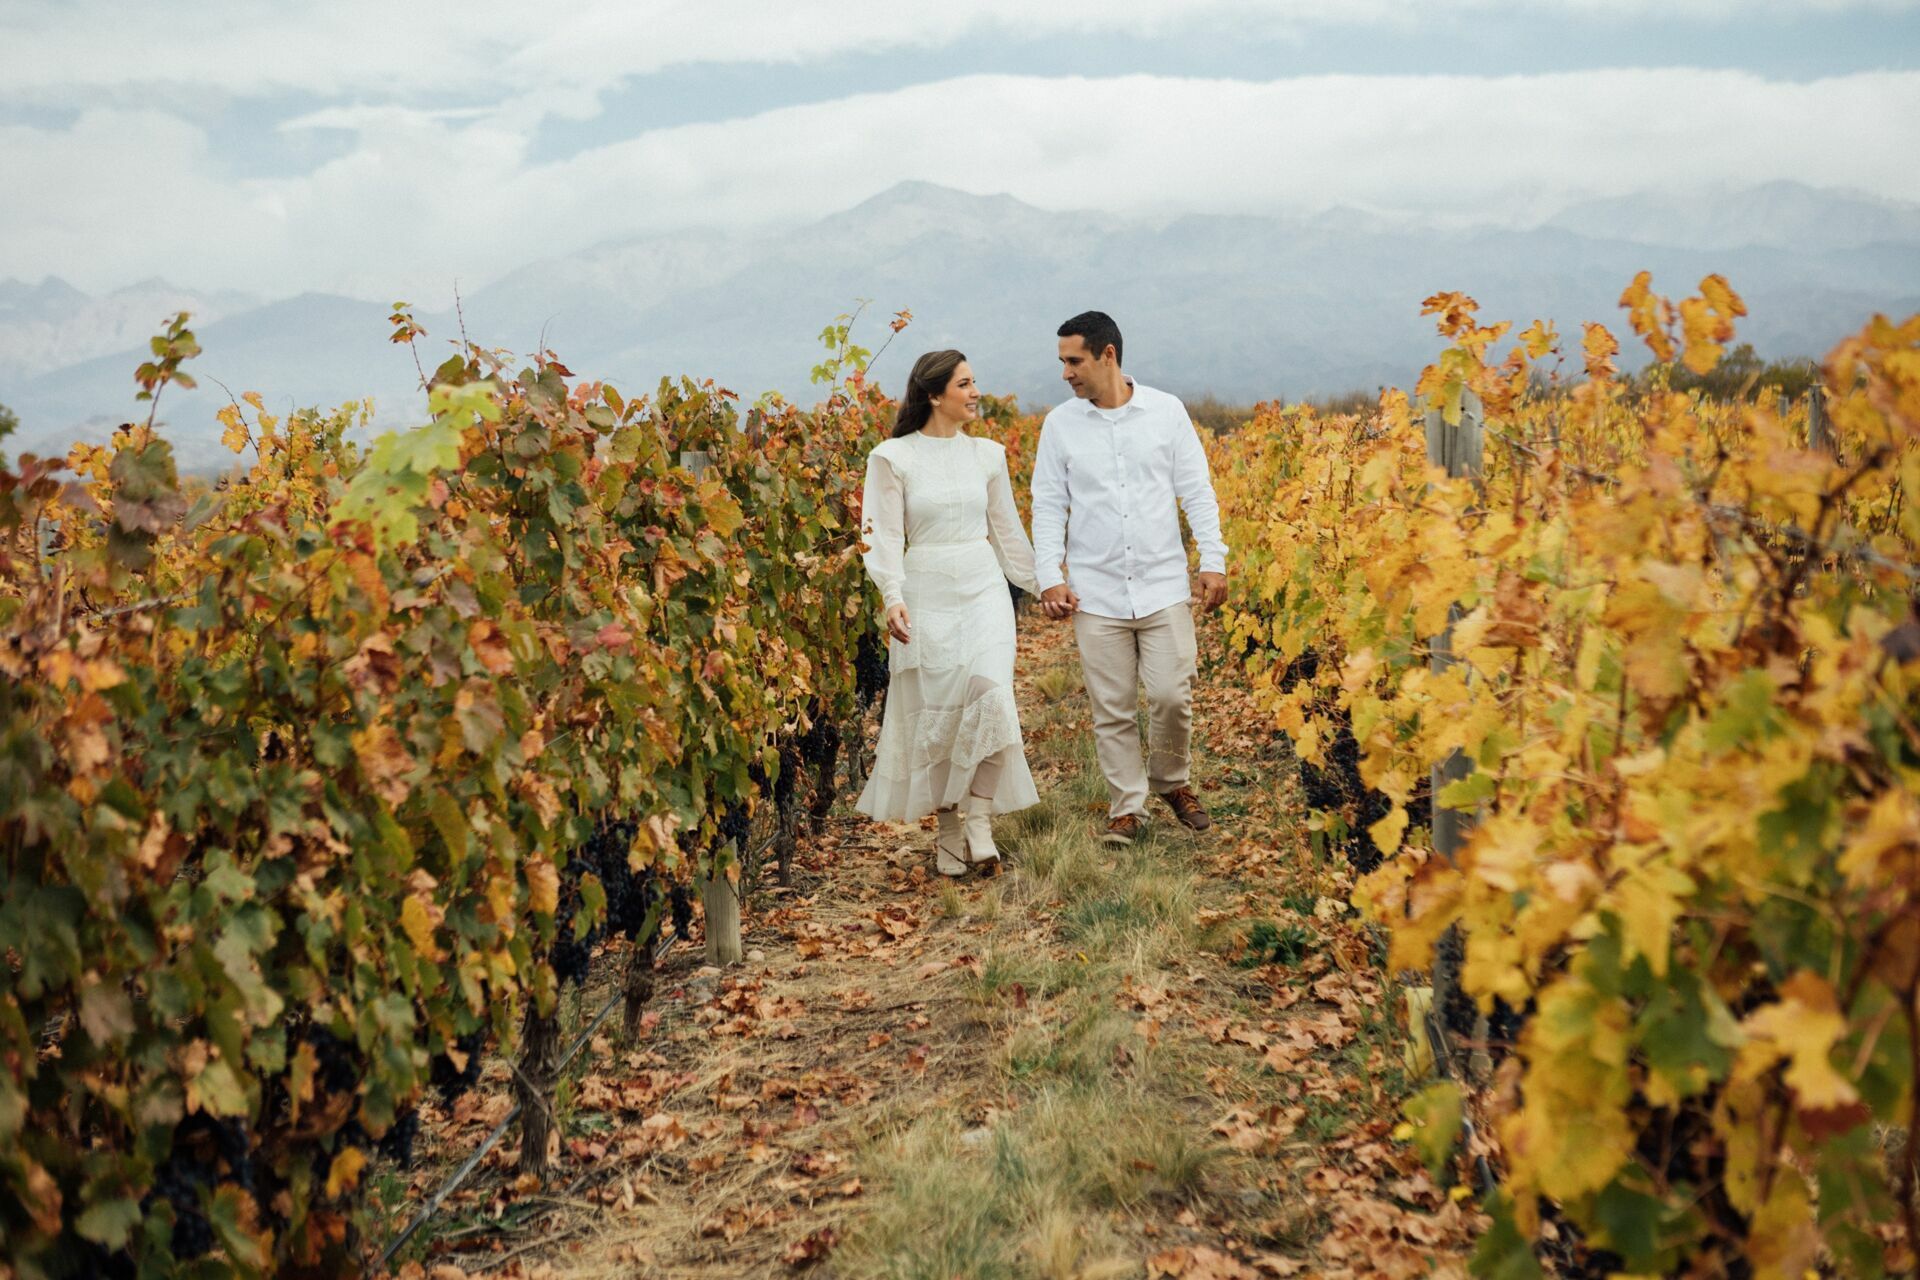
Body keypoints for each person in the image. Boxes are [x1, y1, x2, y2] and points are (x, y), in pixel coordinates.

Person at [1030, 311, 1229, 845]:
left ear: (1108, 355)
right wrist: (1049, 575)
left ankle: (1171, 781)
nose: (1066, 373)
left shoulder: (1167, 412)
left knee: (1171, 695)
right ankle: (1129, 808)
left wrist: (1214, 559)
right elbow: (1047, 505)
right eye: (1063, 362)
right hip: (1095, 593)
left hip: (1162, 585)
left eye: (1074, 361)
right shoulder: (1060, 425)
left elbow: (1197, 490)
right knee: (1111, 708)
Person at [855, 349, 1042, 876]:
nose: (976, 391)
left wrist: (1044, 585)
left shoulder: (988, 454)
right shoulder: (893, 457)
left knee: (994, 698)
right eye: (965, 383)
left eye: (975, 381)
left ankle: (979, 818)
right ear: (935, 394)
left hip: (983, 589)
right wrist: (892, 595)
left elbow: (1008, 533)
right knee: (939, 719)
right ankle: (949, 833)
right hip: (926, 594)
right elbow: (884, 536)